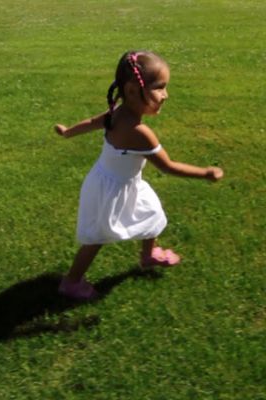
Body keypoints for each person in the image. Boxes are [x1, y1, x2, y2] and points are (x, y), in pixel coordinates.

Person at [54, 50, 224, 300]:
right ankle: (71, 282)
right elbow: (168, 166)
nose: (166, 95)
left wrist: (69, 132)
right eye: (160, 88)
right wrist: (205, 173)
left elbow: (91, 121)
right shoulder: (140, 132)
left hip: (118, 182)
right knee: (97, 238)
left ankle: (148, 255)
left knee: (152, 212)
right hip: (112, 191)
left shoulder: (117, 112)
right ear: (133, 90)